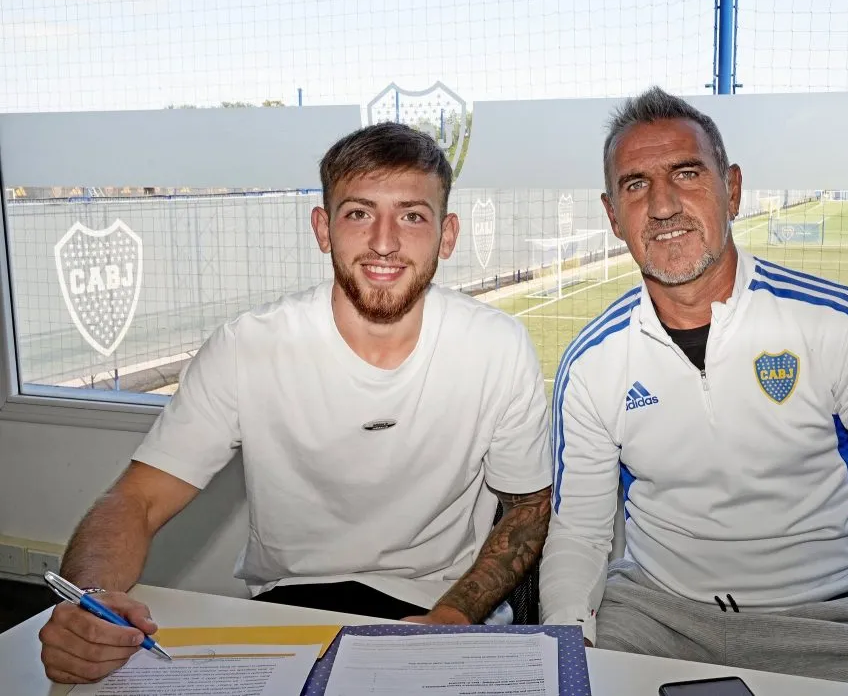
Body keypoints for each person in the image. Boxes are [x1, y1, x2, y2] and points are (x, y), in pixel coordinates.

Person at [39, 122, 553, 684]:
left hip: (438, 607)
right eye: (358, 213)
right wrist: (85, 602)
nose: (384, 241)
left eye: (411, 215)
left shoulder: (496, 346)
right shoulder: (247, 347)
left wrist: (455, 615)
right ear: (323, 227)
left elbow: (528, 506)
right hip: (290, 609)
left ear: (446, 234)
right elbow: (136, 499)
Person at [539, 86, 848, 696]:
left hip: (824, 625)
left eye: (686, 174)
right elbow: (580, 533)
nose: (663, 205)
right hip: (652, 617)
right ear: (613, 215)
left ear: (734, 189)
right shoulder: (593, 361)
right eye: (636, 184)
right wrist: (570, 640)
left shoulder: (834, 323)